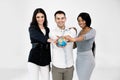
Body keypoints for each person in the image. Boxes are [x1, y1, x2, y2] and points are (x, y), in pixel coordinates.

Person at [65, 12, 96, 80]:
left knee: (84, 78)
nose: (80, 22)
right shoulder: (80, 32)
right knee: (81, 78)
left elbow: (84, 37)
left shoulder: (92, 31)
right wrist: (66, 40)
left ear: (87, 20)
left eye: (82, 20)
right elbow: (75, 46)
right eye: (79, 21)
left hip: (88, 59)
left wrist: (73, 39)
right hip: (79, 59)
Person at [49, 10, 76, 80]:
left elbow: (63, 41)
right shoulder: (52, 33)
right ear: (55, 20)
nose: (60, 20)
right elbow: (60, 44)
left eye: (62, 18)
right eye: (58, 18)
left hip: (69, 66)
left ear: (65, 19)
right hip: (57, 66)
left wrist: (61, 38)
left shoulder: (72, 31)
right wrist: (66, 38)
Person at [28, 8, 51, 80]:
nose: (40, 19)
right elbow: (38, 36)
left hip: (45, 59)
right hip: (34, 58)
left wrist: (49, 61)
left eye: (42, 16)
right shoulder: (32, 28)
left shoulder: (47, 29)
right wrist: (48, 39)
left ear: (45, 17)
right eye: (38, 17)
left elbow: (48, 46)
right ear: (35, 18)